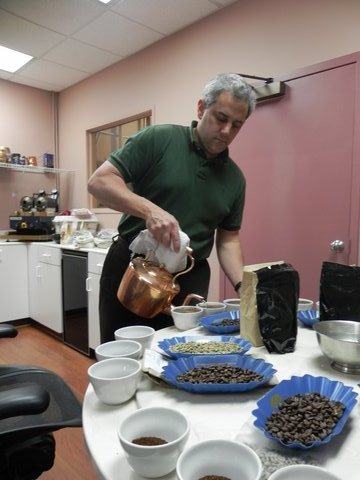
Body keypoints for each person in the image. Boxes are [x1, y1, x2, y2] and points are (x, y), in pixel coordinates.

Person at [88, 73, 257, 342]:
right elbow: (100, 182)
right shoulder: (160, 139)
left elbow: (228, 240)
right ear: (201, 108)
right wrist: (149, 210)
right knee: (122, 352)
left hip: (189, 279)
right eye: (221, 118)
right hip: (133, 267)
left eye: (237, 125)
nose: (226, 131)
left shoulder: (235, 179)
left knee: (179, 357)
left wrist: (244, 287)